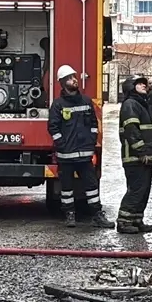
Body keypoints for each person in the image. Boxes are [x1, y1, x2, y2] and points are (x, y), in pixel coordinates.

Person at [47, 64, 114, 229]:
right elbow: (53, 127)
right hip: (66, 155)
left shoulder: (86, 101)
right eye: (69, 78)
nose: (74, 80)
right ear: (62, 83)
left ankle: (97, 215)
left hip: (84, 154)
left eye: (74, 77)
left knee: (91, 187)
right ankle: (69, 214)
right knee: (67, 189)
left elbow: (93, 123)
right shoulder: (58, 105)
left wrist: (91, 141)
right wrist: (61, 144)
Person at [116, 75, 152, 234]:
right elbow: (131, 130)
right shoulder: (130, 104)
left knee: (143, 190)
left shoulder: (141, 104)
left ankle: (136, 219)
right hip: (135, 157)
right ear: (130, 87)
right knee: (136, 189)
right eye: (139, 83)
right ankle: (124, 222)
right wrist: (141, 151)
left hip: (144, 157)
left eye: (144, 83)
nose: (144, 85)